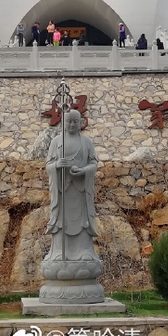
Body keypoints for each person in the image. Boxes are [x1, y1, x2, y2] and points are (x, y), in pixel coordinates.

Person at [45, 109, 99, 262]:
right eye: (69, 121)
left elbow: (94, 163)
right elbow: (48, 164)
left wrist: (83, 171)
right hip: (62, 188)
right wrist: (56, 165)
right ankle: (59, 252)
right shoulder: (56, 142)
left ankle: (85, 250)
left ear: (81, 122)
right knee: (62, 220)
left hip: (81, 189)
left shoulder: (87, 142)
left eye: (75, 121)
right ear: (63, 122)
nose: (72, 124)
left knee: (83, 221)